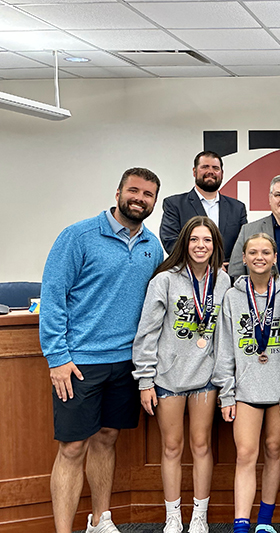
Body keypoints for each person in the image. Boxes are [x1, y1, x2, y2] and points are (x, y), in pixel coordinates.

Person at [40, 168, 163, 533]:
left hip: (126, 363)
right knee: (72, 448)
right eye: (134, 191)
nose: (139, 199)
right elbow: (53, 297)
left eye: (148, 195)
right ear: (118, 192)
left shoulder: (152, 245)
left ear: (154, 202)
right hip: (80, 364)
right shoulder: (78, 236)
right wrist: (57, 357)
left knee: (107, 440)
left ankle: (100, 519)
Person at [133, 216, 231, 533]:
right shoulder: (165, 280)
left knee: (201, 446)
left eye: (207, 240)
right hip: (168, 378)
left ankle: (198, 515)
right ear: (184, 244)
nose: (200, 246)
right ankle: (173, 515)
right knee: (172, 447)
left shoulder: (223, 281)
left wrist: (224, 382)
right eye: (194, 240)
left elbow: (224, 337)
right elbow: (147, 334)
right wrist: (145, 380)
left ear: (215, 245)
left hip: (205, 378)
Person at [213, 233, 280, 533]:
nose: (259, 257)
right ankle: (240, 524)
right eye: (253, 252)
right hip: (246, 389)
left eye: (265, 252)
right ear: (244, 258)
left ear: (275, 257)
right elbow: (224, 349)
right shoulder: (233, 297)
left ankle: (264, 521)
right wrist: (226, 393)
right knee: (246, 454)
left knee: (274, 449)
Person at [160, 151, 248, 265]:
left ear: (222, 173)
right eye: (205, 167)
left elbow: (244, 244)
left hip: (228, 277)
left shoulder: (237, 208)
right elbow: (170, 241)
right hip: (189, 276)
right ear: (194, 171)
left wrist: (230, 266)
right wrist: (208, 264)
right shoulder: (175, 204)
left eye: (215, 168)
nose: (210, 172)